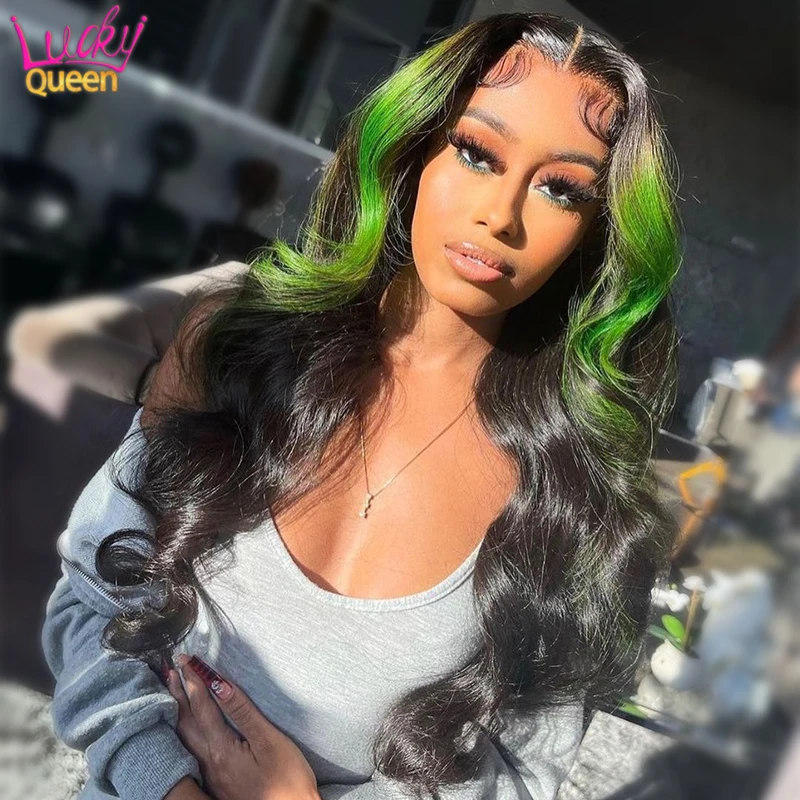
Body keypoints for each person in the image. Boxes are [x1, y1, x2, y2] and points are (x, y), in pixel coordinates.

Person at [40, 12, 683, 800]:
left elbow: (519, 779)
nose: (501, 214)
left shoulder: (575, 505)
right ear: (413, 149)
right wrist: (170, 787)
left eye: (560, 189)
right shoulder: (235, 348)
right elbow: (92, 602)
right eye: (477, 152)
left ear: (595, 233)